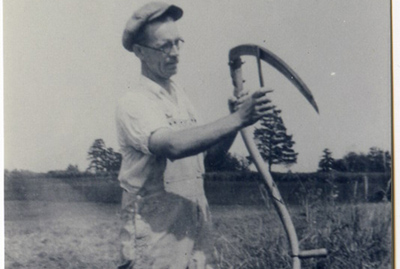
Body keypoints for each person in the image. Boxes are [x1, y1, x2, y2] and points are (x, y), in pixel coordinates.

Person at [116, 2, 273, 268]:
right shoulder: (134, 101)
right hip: (155, 239)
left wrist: (234, 123)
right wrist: (237, 118)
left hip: (193, 229)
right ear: (140, 52)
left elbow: (207, 158)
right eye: (165, 46)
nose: (175, 53)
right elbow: (173, 146)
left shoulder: (181, 98)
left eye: (178, 42)